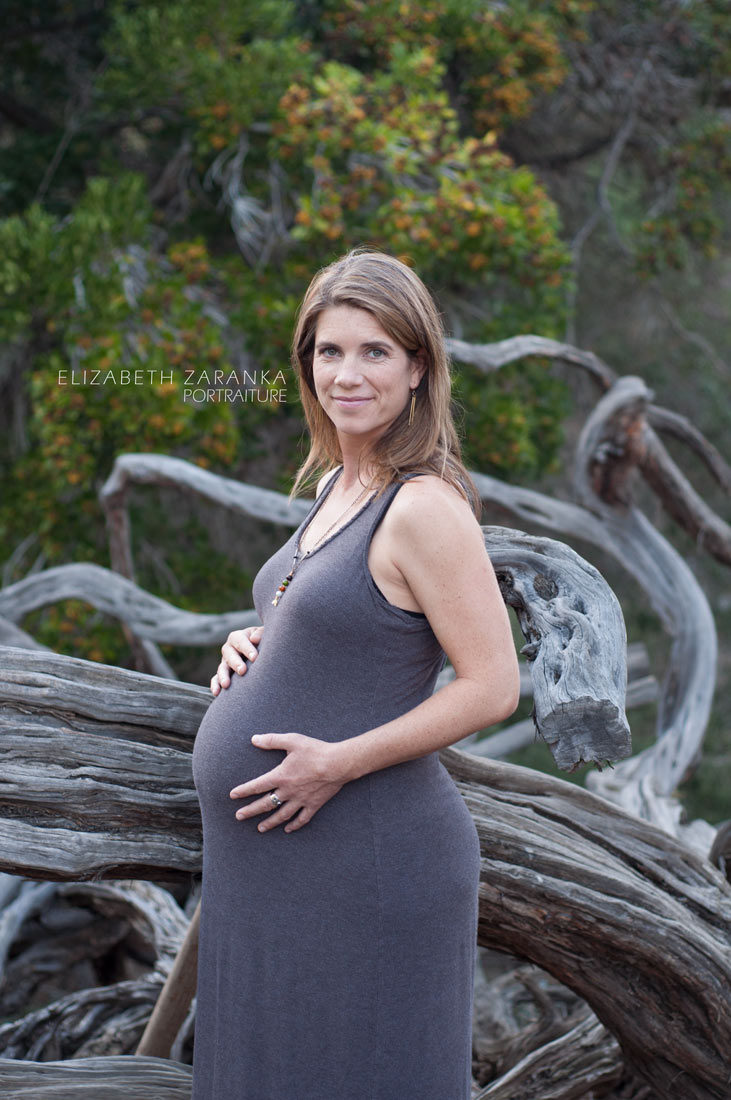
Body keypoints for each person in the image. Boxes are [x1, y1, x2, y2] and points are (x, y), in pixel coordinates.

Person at [191, 249, 520, 1100]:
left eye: (375, 352)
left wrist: (337, 762)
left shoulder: (423, 504)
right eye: (328, 351)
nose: (347, 374)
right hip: (273, 876)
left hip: (367, 866)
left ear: (418, 366)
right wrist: (260, 635)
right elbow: (350, 621)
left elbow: (491, 686)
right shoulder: (341, 478)